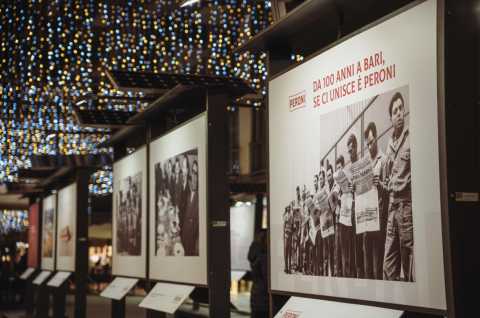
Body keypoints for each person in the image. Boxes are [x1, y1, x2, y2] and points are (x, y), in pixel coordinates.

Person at [383, 92, 414, 281]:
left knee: (407, 260)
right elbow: (388, 178)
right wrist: (385, 183)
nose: (399, 113)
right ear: (391, 118)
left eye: (401, 108)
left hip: (405, 207)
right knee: (388, 264)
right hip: (391, 207)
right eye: (395, 111)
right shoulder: (389, 146)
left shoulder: (411, 138)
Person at [364, 122, 390, 280]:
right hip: (366, 219)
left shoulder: (384, 160)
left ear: (377, 138)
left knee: (376, 264)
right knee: (367, 266)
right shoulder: (365, 163)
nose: (369, 146)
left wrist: (379, 183)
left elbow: (389, 188)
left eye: (371, 142)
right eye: (367, 143)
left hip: (379, 220)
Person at [347, 134, 364, 279]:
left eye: (351, 150)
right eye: (348, 151)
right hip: (350, 211)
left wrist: (355, 187)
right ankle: (354, 274)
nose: (350, 153)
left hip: (361, 210)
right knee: (352, 245)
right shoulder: (348, 168)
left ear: (356, 148)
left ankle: (361, 274)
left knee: (360, 245)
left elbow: (366, 187)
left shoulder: (361, 164)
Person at [248, 230, 268, 318]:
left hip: (256, 294)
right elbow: (266, 279)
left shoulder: (254, 254)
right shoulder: (263, 258)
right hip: (263, 297)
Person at [181, 159, 199, 256]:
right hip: (185, 229)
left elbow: (196, 218)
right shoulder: (188, 195)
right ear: (189, 182)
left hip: (192, 231)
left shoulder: (199, 196)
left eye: (196, 180)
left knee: (189, 251)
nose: (194, 183)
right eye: (192, 180)